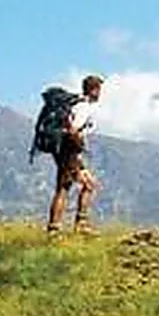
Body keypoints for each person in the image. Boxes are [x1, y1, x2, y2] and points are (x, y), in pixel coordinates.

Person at [47, 74, 103, 235]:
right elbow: (73, 129)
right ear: (93, 90)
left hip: (65, 151)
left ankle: (67, 225)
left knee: (80, 185)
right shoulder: (84, 107)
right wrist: (79, 145)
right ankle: (63, 227)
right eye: (99, 90)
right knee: (71, 188)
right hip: (70, 152)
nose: (100, 94)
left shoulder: (75, 104)